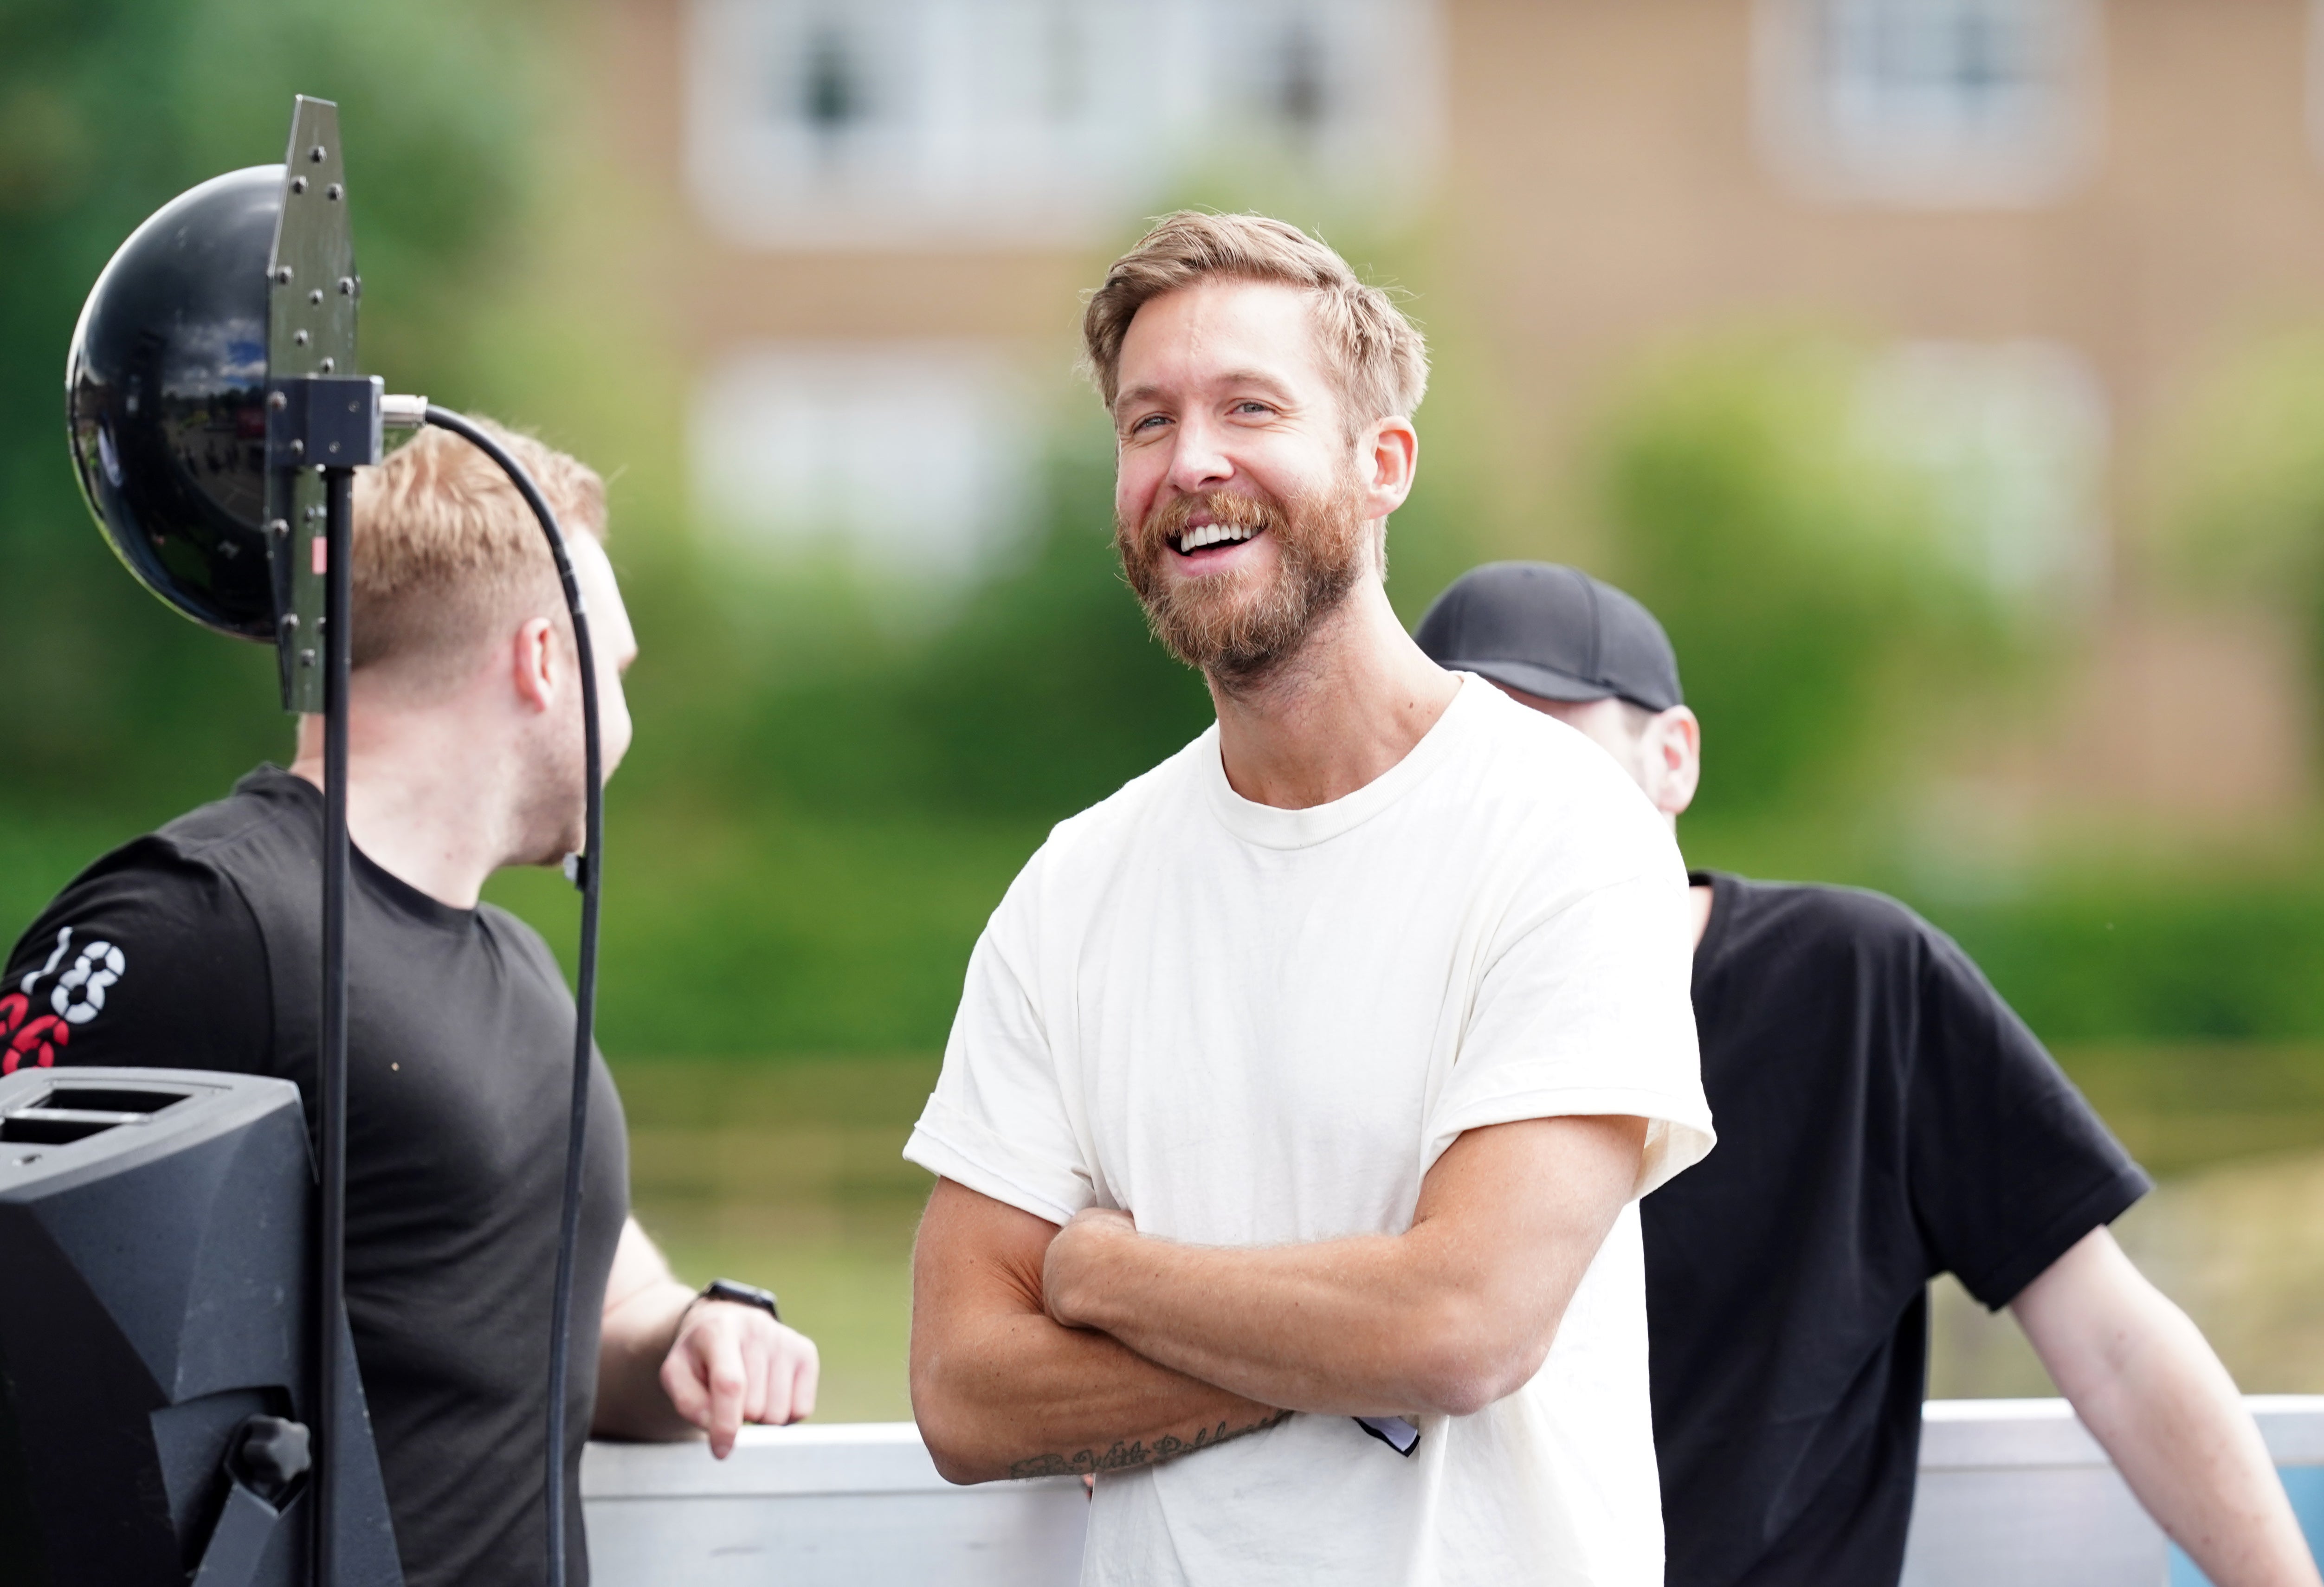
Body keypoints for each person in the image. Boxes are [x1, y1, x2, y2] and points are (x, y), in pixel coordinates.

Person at [902, 212, 1715, 1587]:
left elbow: (1466, 1323)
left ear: (1382, 462)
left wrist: (1104, 1277)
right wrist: (1349, 1342)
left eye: (1250, 406)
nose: (1190, 462)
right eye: (1145, 422)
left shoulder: (1568, 831)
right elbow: (964, 1390)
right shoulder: (1075, 887)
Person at [0, 421, 819, 1587]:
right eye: (618, 676)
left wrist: (694, 1334)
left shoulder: (527, 981)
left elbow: (576, 1311)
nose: (624, 728)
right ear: (544, 659)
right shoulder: (199, 927)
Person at [1414, 560, 2321, 1587]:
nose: (1506, 796)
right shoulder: (1390, 1030)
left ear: (1672, 758)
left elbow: (2113, 1342)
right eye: (1463, 763)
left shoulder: (1856, 982)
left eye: (1548, 744)